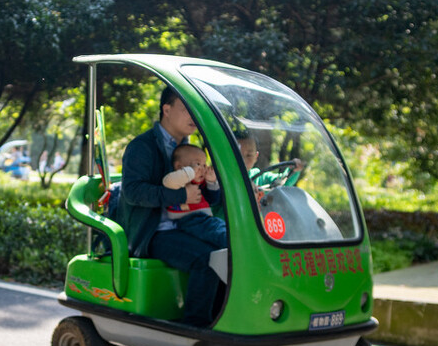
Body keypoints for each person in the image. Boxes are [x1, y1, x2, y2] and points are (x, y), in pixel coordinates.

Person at [117, 86, 225, 327]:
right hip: (154, 231)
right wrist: (178, 196)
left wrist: (212, 184)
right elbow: (133, 192)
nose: (193, 115)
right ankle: (196, 329)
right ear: (166, 109)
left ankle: (223, 320)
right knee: (206, 259)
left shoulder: (192, 150)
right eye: (186, 108)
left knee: (232, 249)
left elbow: (208, 199)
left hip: (190, 225)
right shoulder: (142, 146)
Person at [162, 143, 229, 251]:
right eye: (198, 164)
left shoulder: (201, 183)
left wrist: (211, 182)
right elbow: (168, 182)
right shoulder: (179, 180)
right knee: (217, 230)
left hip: (203, 219)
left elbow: (213, 200)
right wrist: (190, 172)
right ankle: (233, 241)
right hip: (188, 219)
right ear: (179, 167)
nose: (202, 169)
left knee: (217, 227)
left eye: (204, 165)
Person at [237, 134, 304, 196]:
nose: (243, 160)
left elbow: (283, 183)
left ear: (256, 157)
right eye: (238, 155)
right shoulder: (227, 177)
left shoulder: (260, 176)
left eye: (249, 155)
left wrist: (293, 169)